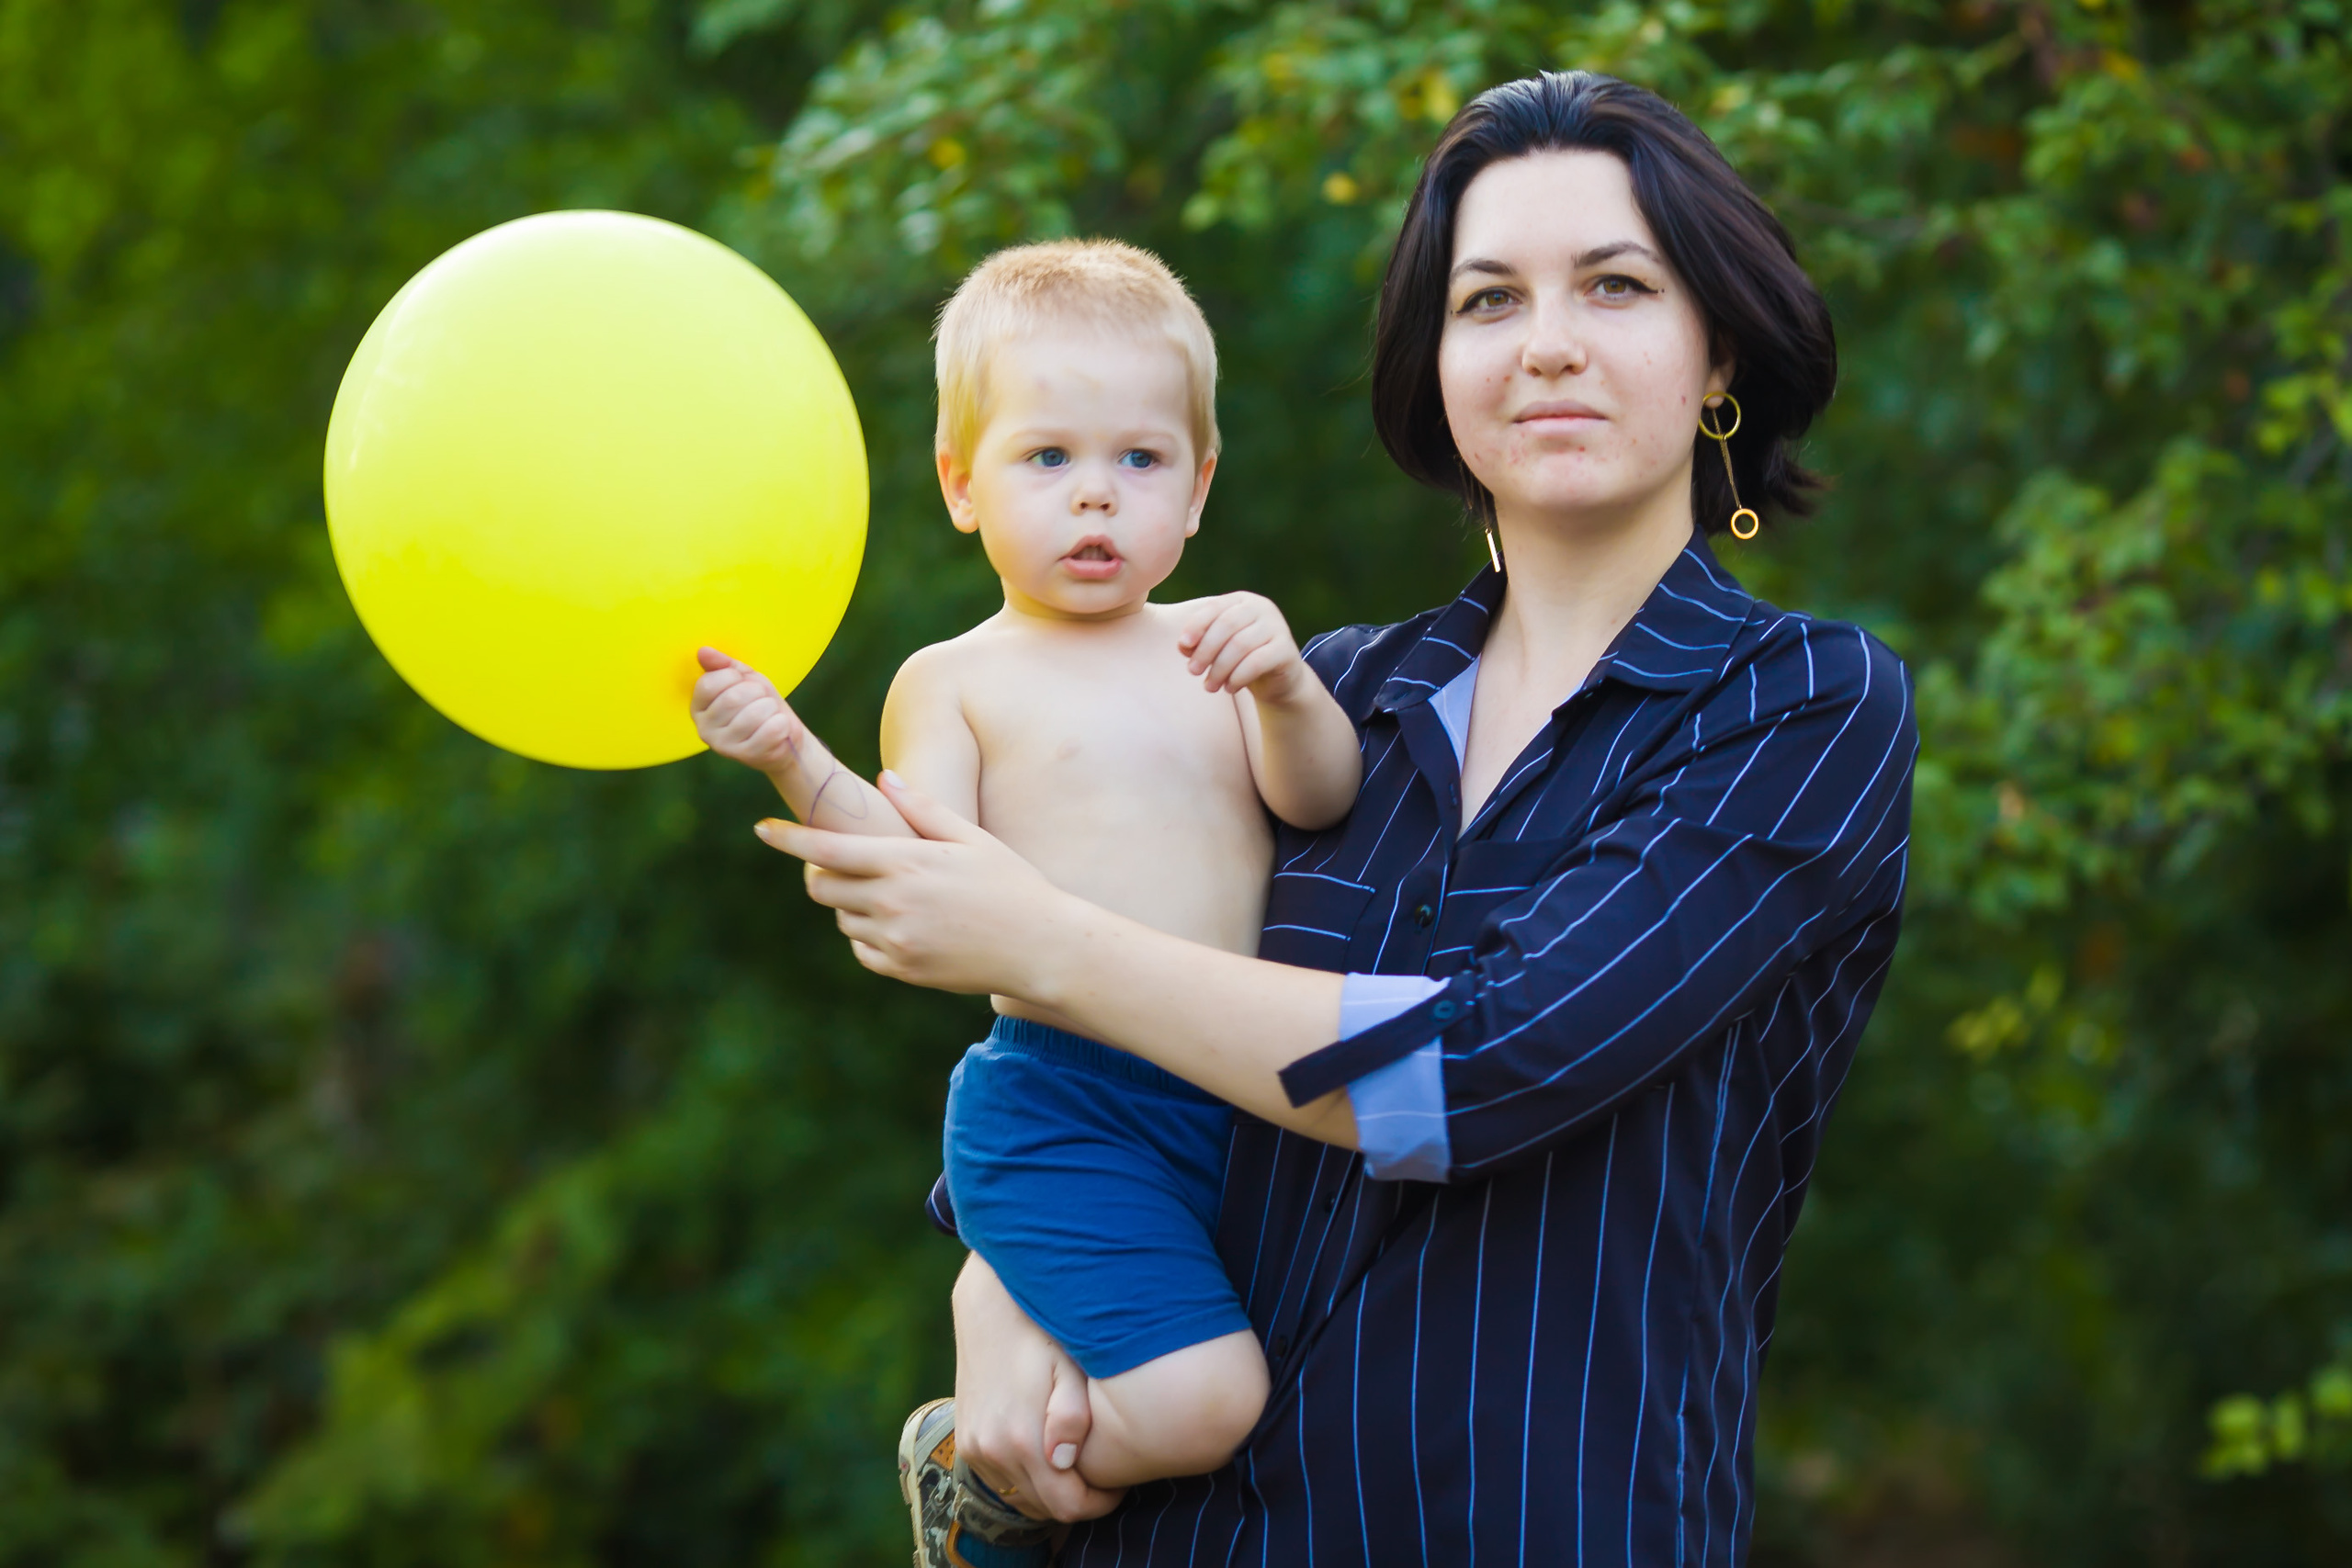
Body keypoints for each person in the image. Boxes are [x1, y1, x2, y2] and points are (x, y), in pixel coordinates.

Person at [758, 69, 1919, 1565]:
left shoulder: (1797, 707)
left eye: (1617, 287)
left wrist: (1040, 939)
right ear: (1434, 364)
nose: (1548, 345)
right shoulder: (1314, 696)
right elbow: (1107, 1070)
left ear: (1718, 356)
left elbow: (1472, 1076)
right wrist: (995, 1283)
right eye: (1488, 301)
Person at [688, 239, 1364, 1566]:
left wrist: (1287, 687)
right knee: (1206, 1400)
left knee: (1266, 1384)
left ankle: (1039, 1441)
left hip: (1240, 1094)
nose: (1097, 500)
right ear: (961, 484)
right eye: (1047, 460)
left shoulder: (1215, 644)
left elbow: (1324, 801)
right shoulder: (958, 679)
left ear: (1200, 485)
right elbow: (907, 862)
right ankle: (976, 1487)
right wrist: (787, 751)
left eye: (1140, 460)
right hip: (1069, 1101)